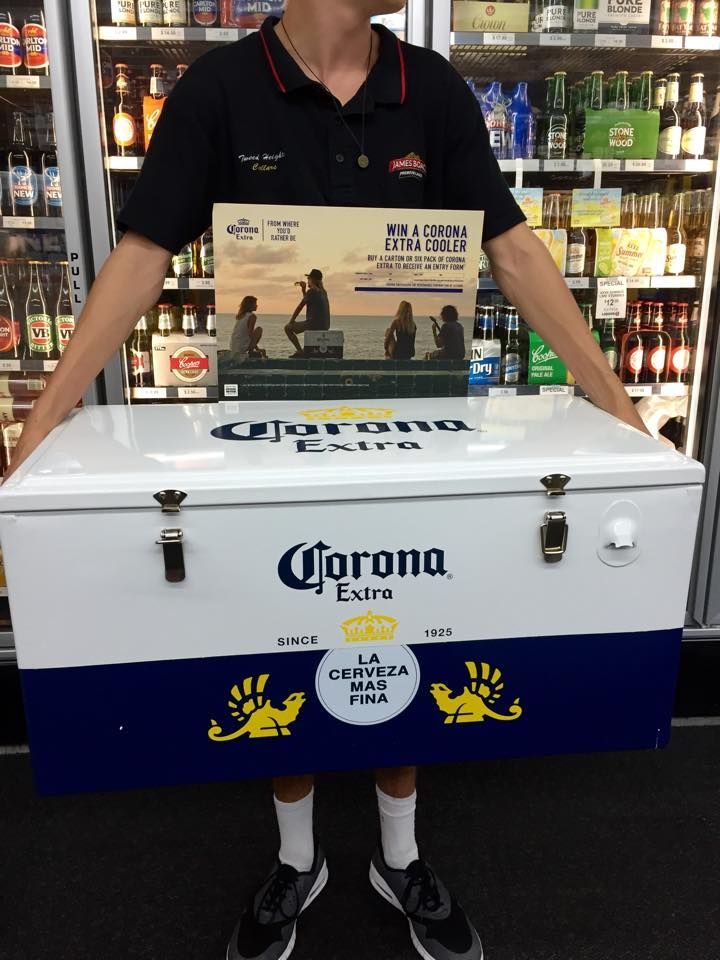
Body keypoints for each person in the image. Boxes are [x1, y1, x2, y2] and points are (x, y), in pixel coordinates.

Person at [5, 3, 652, 959]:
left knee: (400, 641)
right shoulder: (220, 88)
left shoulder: (430, 88)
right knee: (284, 646)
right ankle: (296, 861)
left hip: (411, 443)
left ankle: (401, 858)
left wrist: (617, 404)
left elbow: (510, 248)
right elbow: (144, 254)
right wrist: (43, 416)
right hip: (270, 448)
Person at [284, 268, 330, 357]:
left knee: (287, 328)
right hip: (325, 325)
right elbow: (308, 301)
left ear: (312, 279)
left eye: (308, 279)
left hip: (314, 324)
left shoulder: (312, 291)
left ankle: (300, 351)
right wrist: (303, 290)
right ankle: (304, 351)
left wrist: (291, 321)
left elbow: (300, 307)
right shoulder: (323, 292)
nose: (307, 281)